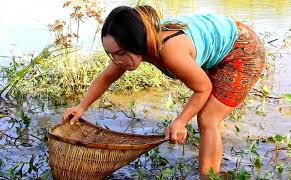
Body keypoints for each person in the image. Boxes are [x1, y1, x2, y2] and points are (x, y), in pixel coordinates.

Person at [62, 5, 265, 179]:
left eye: (121, 53)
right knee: (211, 117)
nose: (117, 61)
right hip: (220, 41)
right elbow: (107, 76)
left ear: (138, 42)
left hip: (241, 49)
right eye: (112, 54)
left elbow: (203, 88)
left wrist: (180, 121)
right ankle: (215, 147)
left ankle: (208, 176)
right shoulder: (134, 46)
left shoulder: (170, 50)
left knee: (208, 118)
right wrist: (82, 106)